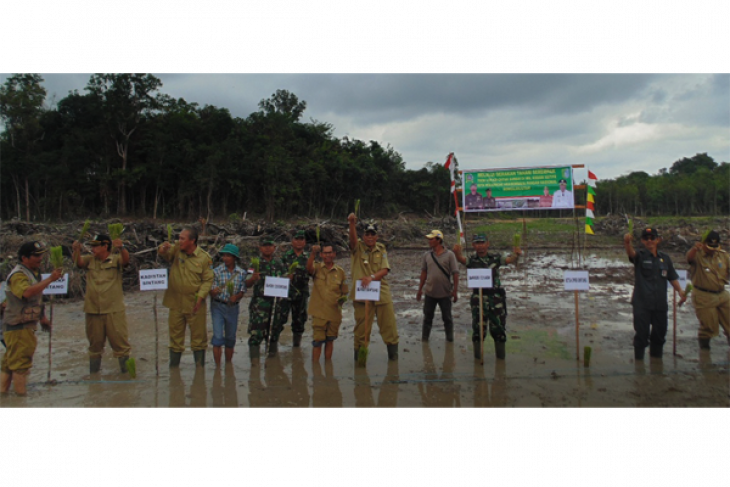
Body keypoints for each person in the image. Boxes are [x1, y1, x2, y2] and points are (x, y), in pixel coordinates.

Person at [0, 242, 64, 395]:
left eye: (41, 254)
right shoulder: (18, 275)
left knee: (10, 363)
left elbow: (35, 299)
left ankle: (3, 395)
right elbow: (27, 293)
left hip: (23, 325)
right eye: (36, 255)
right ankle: (21, 399)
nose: (40, 258)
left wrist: (42, 318)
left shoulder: (34, 273)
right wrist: (50, 280)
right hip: (18, 327)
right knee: (21, 365)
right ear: (24, 258)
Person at [454, 234, 522, 360]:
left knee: (499, 329)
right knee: (478, 329)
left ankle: (500, 361)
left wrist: (516, 254)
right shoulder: (472, 260)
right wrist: (457, 252)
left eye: (482, 243)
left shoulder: (495, 258)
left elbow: (508, 260)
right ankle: (478, 359)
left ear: (487, 244)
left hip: (495, 298)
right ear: (473, 245)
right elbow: (460, 259)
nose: (480, 245)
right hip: (478, 299)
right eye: (477, 243)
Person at [72, 234, 132, 374]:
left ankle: (128, 376)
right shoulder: (90, 261)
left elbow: (125, 261)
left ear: (105, 246)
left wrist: (121, 247)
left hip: (113, 310)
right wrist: (76, 250)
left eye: (95, 246)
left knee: (121, 345)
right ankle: (94, 377)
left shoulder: (115, 260)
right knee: (94, 346)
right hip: (93, 310)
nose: (92, 248)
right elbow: (79, 262)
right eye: (92, 245)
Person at [624, 228, 686, 360]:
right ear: (642, 241)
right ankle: (639, 367)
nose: (649, 241)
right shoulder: (640, 256)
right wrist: (627, 243)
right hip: (642, 304)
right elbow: (631, 254)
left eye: (652, 238)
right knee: (641, 335)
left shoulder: (665, 259)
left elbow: (672, 277)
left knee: (659, 335)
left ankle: (656, 366)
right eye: (646, 238)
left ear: (658, 240)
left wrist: (680, 291)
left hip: (660, 305)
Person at [158, 226, 214, 368]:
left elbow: (208, 280)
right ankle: (174, 368)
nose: (179, 240)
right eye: (179, 238)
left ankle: (199, 369)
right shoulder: (177, 250)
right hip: (175, 303)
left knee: (198, 339)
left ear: (192, 241)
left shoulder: (203, 258)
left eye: (183, 238)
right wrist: (162, 249)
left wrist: (200, 297)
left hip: (195, 304)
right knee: (175, 338)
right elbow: (165, 254)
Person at [348, 214, 400, 362]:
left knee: (389, 326)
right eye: (367, 234)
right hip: (362, 294)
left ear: (376, 237)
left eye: (373, 234)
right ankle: (360, 361)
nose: (370, 237)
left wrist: (371, 277)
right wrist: (352, 223)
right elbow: (352, 240)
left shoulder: (381, 249)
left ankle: (393, 359)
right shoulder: (357, 248)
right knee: (361, 329)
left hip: (381, 291)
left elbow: (385, 270)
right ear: (363, 236)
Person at [686, 230, 730, 350]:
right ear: (704, 244)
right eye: (710, 246)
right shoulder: (697, 255)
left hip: (722, 294)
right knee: (708, 327)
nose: (712, 249)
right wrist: (695, 248)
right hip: (704, 295)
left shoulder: (723, 255)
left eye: (715, 246)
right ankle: (705, 354)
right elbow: (689, 259)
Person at [307, 243, 349, 362]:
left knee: (330, 340)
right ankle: (316, 369)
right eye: (325, 253)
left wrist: (341, 301)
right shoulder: (317, 268)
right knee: (317, 342)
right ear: (321, 255)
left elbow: (344, 292)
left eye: (330, 252)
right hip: (319, 313)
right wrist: (312, 254)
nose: (328, 255)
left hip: (334, 313)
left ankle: (328, 367)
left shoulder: (340, 272)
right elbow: (309, 269)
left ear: (334, 254)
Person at [246, 239, 287, 358]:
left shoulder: (279, 263)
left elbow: (285, 282)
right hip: (259, 305)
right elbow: (247, 283)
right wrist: (253, 278)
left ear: (274, 247)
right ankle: (255, 365)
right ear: (260, 247)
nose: (267, 248)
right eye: (264, 246)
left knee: (274, 333)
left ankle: (273, 363)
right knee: (256, 334)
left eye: (270, 245)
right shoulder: (254, 264)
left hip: (276, 305)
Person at [417, 230, 459, 342]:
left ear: (439, 240)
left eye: (432, 239)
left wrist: (455, 291)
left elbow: (455, 273)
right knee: (427, 318)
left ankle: (450, 340)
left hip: (445, 293)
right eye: (429, 239)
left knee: (447, 318)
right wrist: (420, 289)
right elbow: (424, 273)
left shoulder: (450, 255)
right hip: (430, 293)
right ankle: (425, 340)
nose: (429, 241)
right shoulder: (426, 255)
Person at [209, 244, 247, 367]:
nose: (225, 258)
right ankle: (218, 368)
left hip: (233, 307)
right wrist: (213, 292)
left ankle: (228, 365)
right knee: (218, 337)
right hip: (218, 306)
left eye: (228, 256)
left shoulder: (241, 273)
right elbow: (211, 288)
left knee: (230, 338)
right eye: (224, 255)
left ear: (234, 258)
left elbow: (242, 290)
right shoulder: (216, 272)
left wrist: (236, 297)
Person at [278, 230, 311, 348]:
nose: (299, 242)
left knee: (300, 321)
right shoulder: (285, 257)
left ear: (305, 242)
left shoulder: (308, 257)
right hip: (286, 293)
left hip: (302, 293)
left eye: (301, 239)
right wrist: (286, 276)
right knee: (280, 318)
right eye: (296, 239)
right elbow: (278, 274)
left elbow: (312, 272)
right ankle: (273, 345)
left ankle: (296, 346)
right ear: (292, 241)